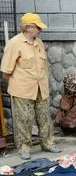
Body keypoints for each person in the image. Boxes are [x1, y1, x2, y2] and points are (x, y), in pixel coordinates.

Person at [0, 13, 60, 160]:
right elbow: (6, 71)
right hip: (22, 88)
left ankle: (48, 143)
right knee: (24, 119)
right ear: (27, 28)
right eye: (37, 27)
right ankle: (24, 148)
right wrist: (17, 85)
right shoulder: (14, 43)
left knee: (44, 116)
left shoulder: (39, 43)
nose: (40, 30)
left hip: (41, 87)